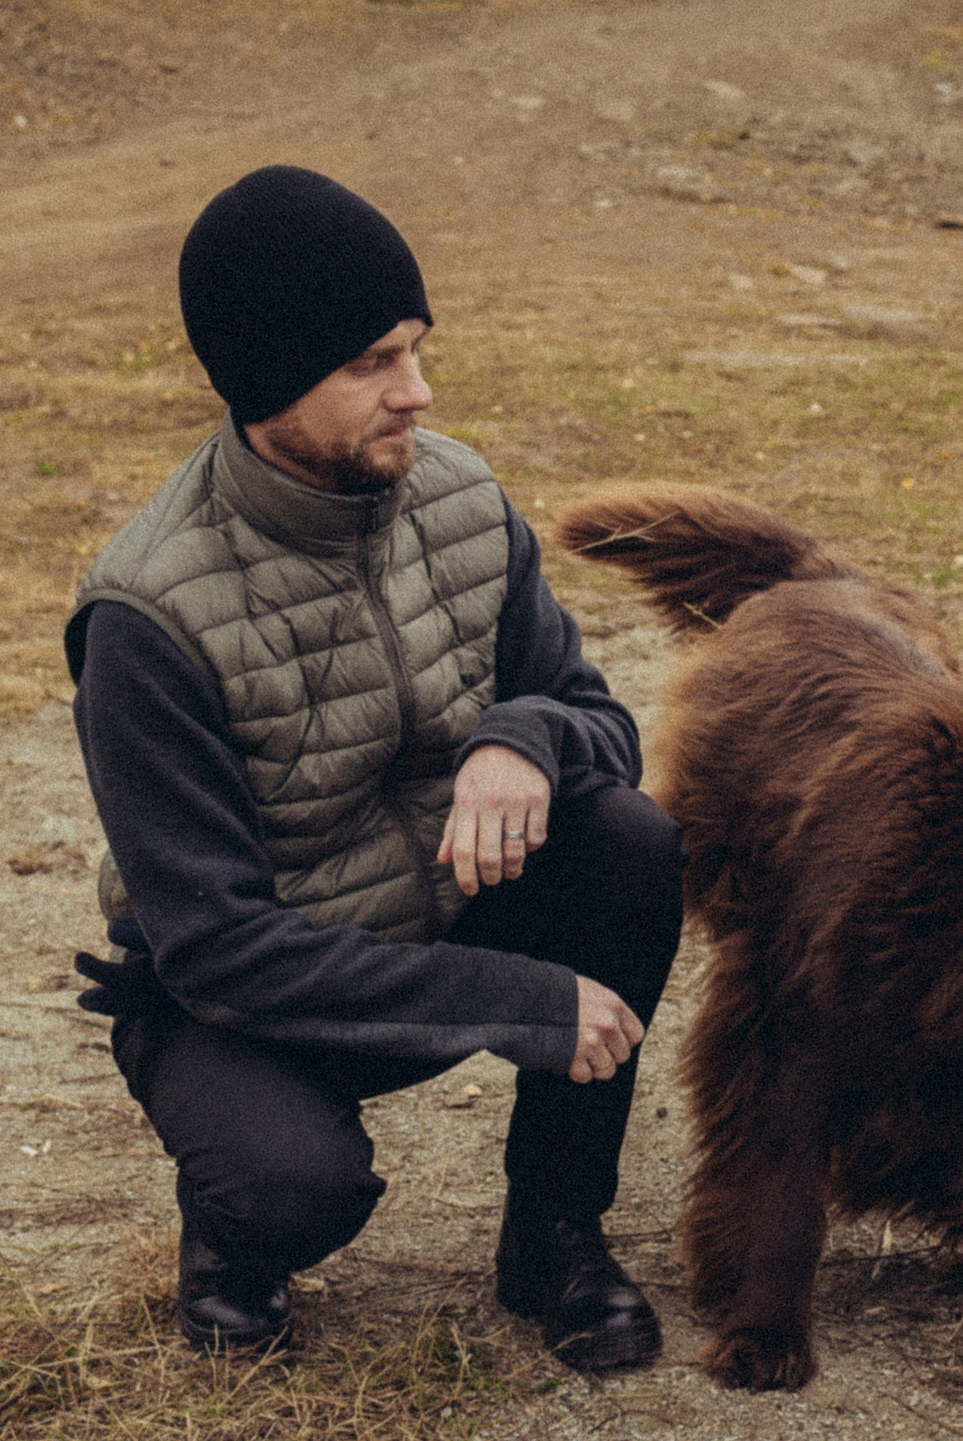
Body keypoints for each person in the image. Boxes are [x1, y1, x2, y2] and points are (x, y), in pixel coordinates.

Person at [65, 166, 683, 1373]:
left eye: (416, 348)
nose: (419, 391)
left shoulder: (455, 495)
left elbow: (598, 722)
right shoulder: (147, 615)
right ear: (266, 382)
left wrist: (524, 737)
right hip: (250, 999)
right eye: (371, 365)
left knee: (625, 840)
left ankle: (554, 1234)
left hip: (446, 911)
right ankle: (233, 1246)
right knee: (298, 1188)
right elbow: (218, 946)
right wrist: (522, 1001)